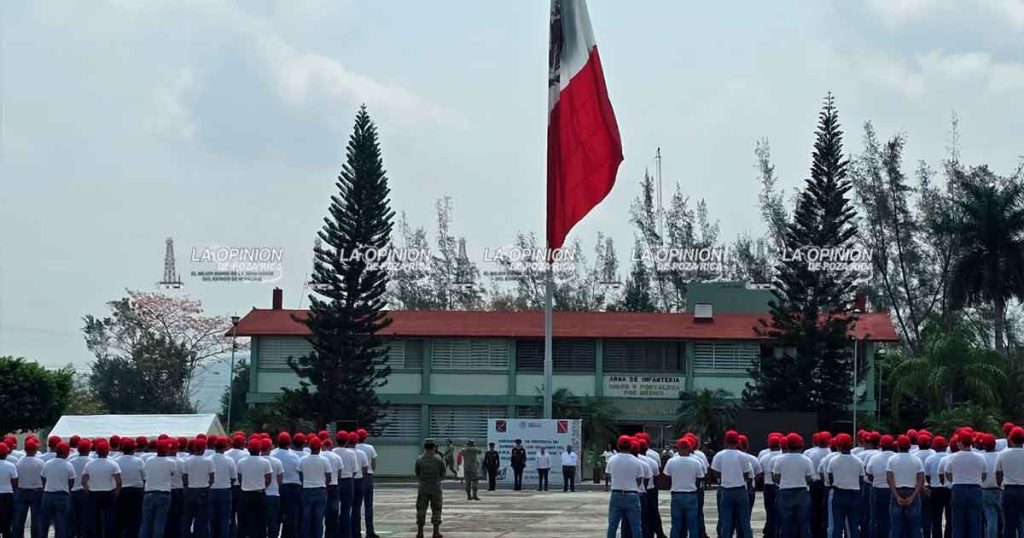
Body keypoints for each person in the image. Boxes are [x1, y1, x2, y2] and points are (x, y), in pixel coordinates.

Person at [710, 430, 754, 538]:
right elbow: (746, 474)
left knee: (726, 522)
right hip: (740, 490)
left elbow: (715, 472)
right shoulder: (743, 456)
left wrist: (723, 477)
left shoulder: (719, 455)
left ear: (725, 441)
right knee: (745, 521)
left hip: (726, 490)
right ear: (737, 441)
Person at [945, 431, 987, 538]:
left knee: (957, 524)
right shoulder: (980, 457)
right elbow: (984, 475)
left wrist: (955, 479)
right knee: (975, 524)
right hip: (975, 489)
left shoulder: (952, 457)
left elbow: (948, 474)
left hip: (958, 489)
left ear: (960, 443)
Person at [773, 433, 815, 538]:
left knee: (786, 523)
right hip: (802, 492)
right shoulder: (806, 460)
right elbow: (810, 479)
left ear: (787, 445)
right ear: (801, 445)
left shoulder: (780, 459)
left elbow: (776, 478)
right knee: (803, 523)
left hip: (785, 492)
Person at [663, 436, 704, 538]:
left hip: (676, 494)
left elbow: (666, 477)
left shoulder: (671, 461)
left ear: (678, 448)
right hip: (691, 495)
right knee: (693, 525)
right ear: (690, 448)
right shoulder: (696, 462)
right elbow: (700, 478)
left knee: (676, 525)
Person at [887, 435, 925, 538]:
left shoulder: (892, 460)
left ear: (898, 446)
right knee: (914, 526)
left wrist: (896, 496)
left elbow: (889, 479)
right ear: (909, 446)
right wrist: (913, 495)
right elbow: (921, 479)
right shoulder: (917, 460)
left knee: (896, 525)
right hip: (912, 491)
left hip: (897, 491)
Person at [606, 435, 644, 538]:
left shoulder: (612, 460)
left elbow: (609, 476)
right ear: (631, 446)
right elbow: (639, 480)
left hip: (616, 494)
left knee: (612, 525)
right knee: (636, 526)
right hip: (632, 494)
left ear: (618, 446)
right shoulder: (637, 462)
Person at [827, 434, 864, 538]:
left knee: (837, 526)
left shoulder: (833, 461)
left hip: (839, 494)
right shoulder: (858, 461)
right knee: (854, 525)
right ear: (851, 445)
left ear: (838, 446)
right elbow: (861, 479)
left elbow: (830, 478)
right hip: (854, 494)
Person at [83, 440, 122, 538]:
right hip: (108, 493)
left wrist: (88, 490)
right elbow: (119, 481)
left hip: (94, 493)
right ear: (107, 451)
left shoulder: (90, 464)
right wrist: (116, 493)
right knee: (109, 519)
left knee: (94, 519)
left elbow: (83, 480)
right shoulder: (113, 464)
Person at [140, 439, 177, 538]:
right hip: (163, 494)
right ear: (167, 450)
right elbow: (172, 474)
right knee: (159, 523)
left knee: (146, 523)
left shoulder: (149, 460)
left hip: (148, 493)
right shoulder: (171, 462)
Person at [236, 440, 272, 538]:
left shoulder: (241, 462)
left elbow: (239, 477)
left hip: (245, 494)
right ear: (259, 449)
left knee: (243, 521)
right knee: (260, 521)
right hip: (259, 493)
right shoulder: (265, 462)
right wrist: (262, 486)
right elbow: (268, 479)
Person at [39, 442, 74, 538]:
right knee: (61, 523)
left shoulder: (47, 464)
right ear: (66, 452)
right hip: (62, 496)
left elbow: (43, 477)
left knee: (44, 523)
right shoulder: (68, 465)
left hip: (48, 495)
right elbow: (71, 481)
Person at [296, 438, 329, 538]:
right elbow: (328, 476)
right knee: (319, 518)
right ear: (320, 448)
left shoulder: (303, 460)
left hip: (307, 490)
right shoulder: (324, 460)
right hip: (320, 489)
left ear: (309, 448)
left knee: (306, 517)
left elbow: (300, 474)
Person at [414, 439, 446, 538]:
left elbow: (417, 473)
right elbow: (443, 474)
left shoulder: (419, 459)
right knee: (436, 509)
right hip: (436, 487)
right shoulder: (439, 459)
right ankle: (435, 532)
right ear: (434, 447)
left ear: (425, 447)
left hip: (423, 487)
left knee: (421, 509)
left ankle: (420, 532)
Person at [270, 433, 300, 538]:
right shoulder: (294, 456)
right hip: (293, 487)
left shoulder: (272, 454)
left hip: (277, 487)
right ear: (289, 443)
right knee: (291, 516)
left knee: (276, 515)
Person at [867, 435, 897, 538]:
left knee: (876, 518)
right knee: (892, 518)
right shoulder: (896, 457)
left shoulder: (874, 458)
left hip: (877, 490)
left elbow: (869, 474)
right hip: (893, 490)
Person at [996, 426, 1023, 538]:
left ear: (1010, 439)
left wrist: (1000, 485)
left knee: (1008, 524)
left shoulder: (1003, 454)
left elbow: (998, 474)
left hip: (1008, 490)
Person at [13, 437, 43, 538]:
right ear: (35, 449)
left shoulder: (19, 462)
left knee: (19, 519)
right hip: (37, 491)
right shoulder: (41, 462)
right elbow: (44, 477)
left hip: (21, 491)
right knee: (36, 519)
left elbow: (15, 478)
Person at [117, 437, 145, 538]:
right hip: (136, 492)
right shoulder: (139, 461)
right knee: (135, 518)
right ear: (133, 449)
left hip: (121, 491)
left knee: (120, 518)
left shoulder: (116, 460)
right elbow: (144, 477)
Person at [208, 438, 236, 538]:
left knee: (211, 518)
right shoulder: (229, 460)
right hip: (225, 490)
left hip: (211, 490)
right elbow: (233, 477)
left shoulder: (209, 459)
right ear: (225, 447)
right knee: (224, 518)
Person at [924, 436, 951, 538]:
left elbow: (927, 476)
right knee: (949, 517)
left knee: (936, 518)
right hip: (948, 489)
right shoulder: (950, 457)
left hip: (935, 489)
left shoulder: (929, 459)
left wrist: (931, 484)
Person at [354, 429, 379, 538]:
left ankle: (356, 531)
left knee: (356, 506)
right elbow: (373, 464)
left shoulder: (353, 448)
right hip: (368, 476)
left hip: (356, 477)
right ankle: (370, 531)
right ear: (365, 437)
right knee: (368, 505)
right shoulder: (370, 448)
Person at [259, 439, 284, 538]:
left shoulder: (258, 461)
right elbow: (280, 480)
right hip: (274, 494)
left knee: (260, 522)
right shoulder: (277, 462)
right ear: (270, 448)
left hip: (260, 494)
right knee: (273, 522)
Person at [333, 431, 356, 538]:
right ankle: (346, 534)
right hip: (348, 481)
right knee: (346, 510)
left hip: (336, 482)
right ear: (347, 441)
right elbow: (355, 470)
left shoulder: (333, 452)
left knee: (335, 509)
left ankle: (336, 533)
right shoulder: (351, 453)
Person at [761, 433, 784, 538]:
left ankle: (769, 531)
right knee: (780, 510)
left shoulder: (763, 455)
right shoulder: (782, 455)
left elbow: (759, 470)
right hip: (780, 486)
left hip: (768, 485)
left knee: (769, 510)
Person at [68, 439, 92, 538]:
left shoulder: (71, 461)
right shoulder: (91, 461)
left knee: (73, 520)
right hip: (87, 492)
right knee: (85, 520)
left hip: (73, 492)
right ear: (89, 449)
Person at [346, 432, 368, 538]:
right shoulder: (361, 453)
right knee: (357, 509)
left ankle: (348, 532)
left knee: (346, 508)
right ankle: (357, 532)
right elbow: (365, 469)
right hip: (359, 481)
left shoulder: (344, 453)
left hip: (348, 480)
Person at [978, 434, 1001, 538]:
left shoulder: (980, 457)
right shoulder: (1001, 455)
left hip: (985, 490)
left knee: (991, 520)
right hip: (1001, 489)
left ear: (983, 445)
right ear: (995, 444)